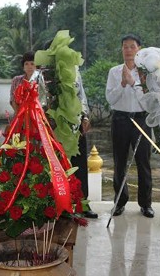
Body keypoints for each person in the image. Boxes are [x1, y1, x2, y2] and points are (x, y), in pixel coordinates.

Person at [105, 34, 154, 218]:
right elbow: (110, 99)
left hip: (141, 119)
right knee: (119, 162)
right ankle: (119, 202)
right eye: (125, 47)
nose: (128, 50)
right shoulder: (114, 71)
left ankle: (146, 204)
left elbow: (148, 102)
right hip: (120, 119)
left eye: (132, 47)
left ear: (139, 49)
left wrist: (133, 83)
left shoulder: (146, 73)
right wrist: (122, 84)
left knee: (143, 161)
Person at [70, 68, 98, 218]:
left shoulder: (74, 70)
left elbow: (81, 95)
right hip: (55, 127)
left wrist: (85, 116)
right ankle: (59, 206)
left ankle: (83, 205)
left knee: (80, 166)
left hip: (76, 124)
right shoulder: (44, 73)